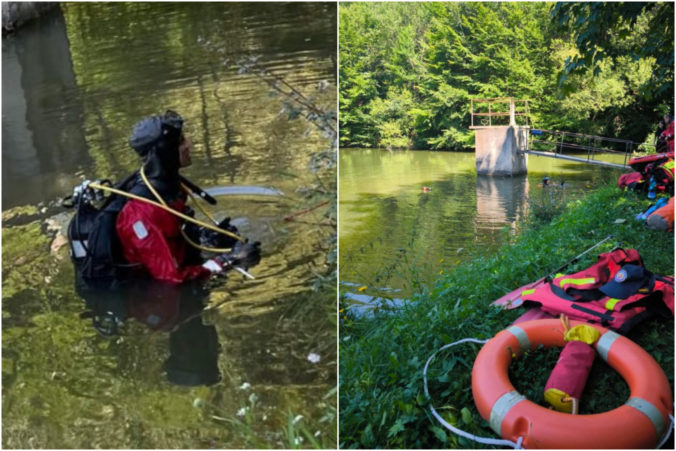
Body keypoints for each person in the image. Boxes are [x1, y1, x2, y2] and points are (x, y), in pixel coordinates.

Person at [116, 110, 261, 284]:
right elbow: (170, 279)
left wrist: (207, 237)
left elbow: (177, 233)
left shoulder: (173, 189)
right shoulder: (140, 214)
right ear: (166, 152)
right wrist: (228, 260)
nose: (189, 144)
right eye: (181, 141)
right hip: (151, 293)